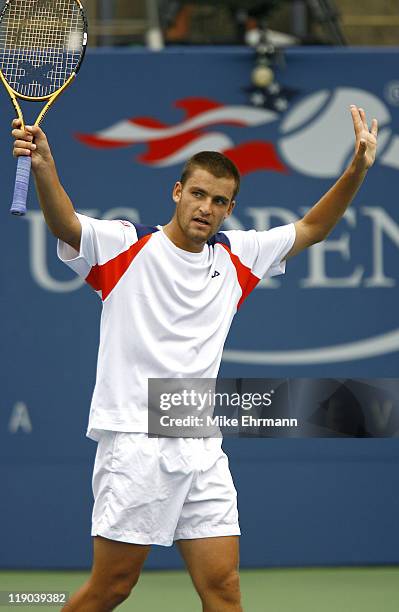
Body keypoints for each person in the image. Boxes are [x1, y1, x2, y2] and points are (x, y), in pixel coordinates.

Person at [12, 104, 377, 612]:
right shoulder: (126, 245)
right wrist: (46, 168)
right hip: (136, 439)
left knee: (223, 589)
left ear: (229, 210)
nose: (206, 207)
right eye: (199, 193)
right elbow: (66, 224)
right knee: (112, 588)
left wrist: (356, 169)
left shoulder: (237, 256)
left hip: (200, 441)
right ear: (177, 192)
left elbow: (312, 228)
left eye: (220, 201)